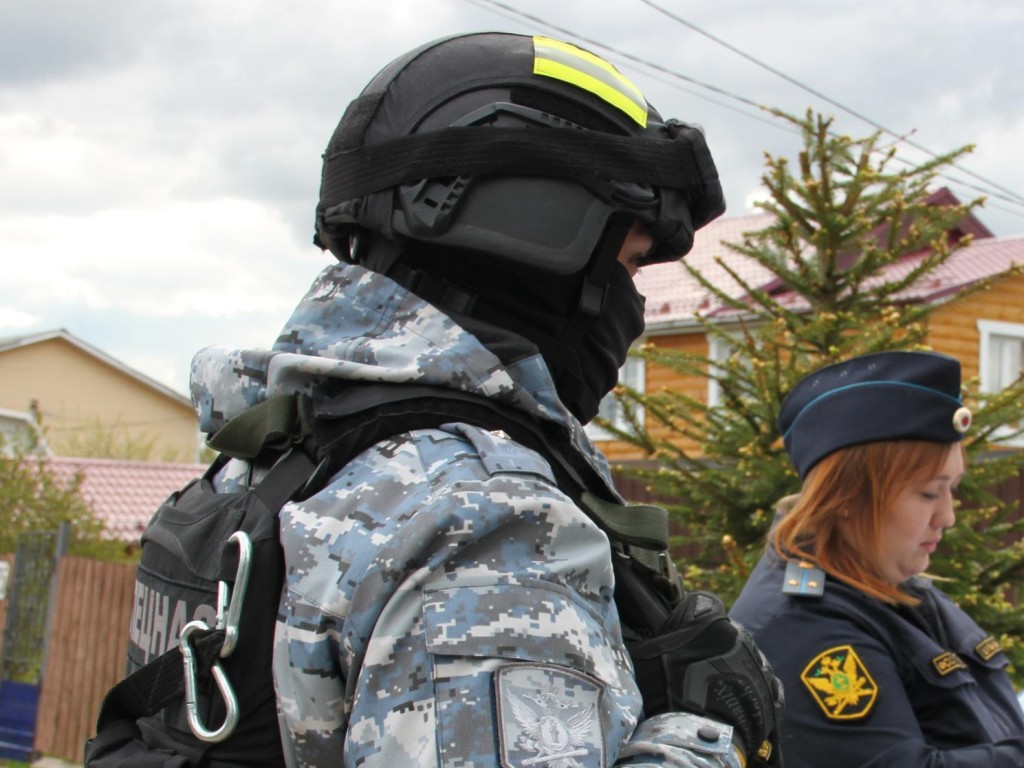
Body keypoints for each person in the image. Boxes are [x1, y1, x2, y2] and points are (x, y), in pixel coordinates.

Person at [188, 32, 783, 768]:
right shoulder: (480, 517)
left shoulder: (277, 450)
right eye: (628, 264)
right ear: (536, 235)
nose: (633, 304)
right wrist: (701, 735)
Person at [730, 350, 1024, 766]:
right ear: (849, 495)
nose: (948, 516)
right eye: (928, 492)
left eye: (952, 487)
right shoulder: (804, 625)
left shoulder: (886, 583)